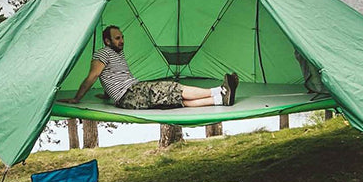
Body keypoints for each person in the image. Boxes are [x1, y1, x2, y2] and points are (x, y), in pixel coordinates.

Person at [59, 25, 239, 109]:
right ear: (107, 41)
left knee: (176, 100)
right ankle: (220, 90)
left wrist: (107, 94)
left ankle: (220, 100)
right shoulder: (102, 54)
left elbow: (111, 77)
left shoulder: (117, 54)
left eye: (122, 37)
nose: (122, 41)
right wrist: (77, 98)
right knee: (173, 88)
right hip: (131, 93)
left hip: (130, 93)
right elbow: (92, 76)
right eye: (117, 38)